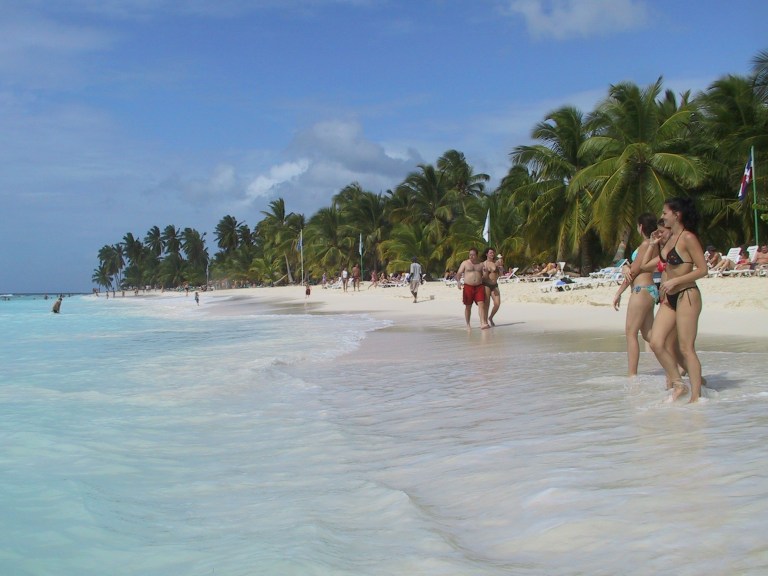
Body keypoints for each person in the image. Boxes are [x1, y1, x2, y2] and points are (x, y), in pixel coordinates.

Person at [640, 197, 708, 402]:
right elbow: (645, 266)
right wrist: (652, 244)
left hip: (687, 294)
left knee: (687, 348)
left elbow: (703, 269)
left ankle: (696, 397)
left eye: (664, 212)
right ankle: (679, 384)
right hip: (669, 297)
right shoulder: (668, 240)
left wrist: (676, 280)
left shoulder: (688, 238)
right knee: (656, 342)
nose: (661, 216)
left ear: (676, 214)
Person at [612, 213, 659, 376]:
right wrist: (626, 268)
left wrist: (619, 292)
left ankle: (632, 374)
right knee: (649, 334)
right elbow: (635, 267)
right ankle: (678, 363)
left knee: (631, 333)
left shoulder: (646, 244)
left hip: (641, 290)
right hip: (649, 289)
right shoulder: (655, 244)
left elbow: (634, 271)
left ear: (641, 227)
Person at [455, 247, 488, 330]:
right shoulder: (465, 263)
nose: (471, 256)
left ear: (477, 255)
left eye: (473, 255)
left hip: (479, 286)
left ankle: (482, 323)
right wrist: (458, 282)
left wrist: (485, 271)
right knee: (468, 306)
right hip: (468, 286)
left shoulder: (481, 264)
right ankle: (468, 324)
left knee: (481, 304)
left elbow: (485, 277)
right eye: (470, 255)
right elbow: (458, 273)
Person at [482, 247, 502, 326]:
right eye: (490, 253)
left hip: (495, 284)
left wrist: (499, 269)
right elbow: (484, 277)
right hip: (486, 284)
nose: (492, 254)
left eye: (493, 253)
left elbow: (500, 274)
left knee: (497, 304)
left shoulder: (497, 262)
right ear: (487, 254)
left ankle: (490, 317)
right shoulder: (484, 263)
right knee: (487, 304)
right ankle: (485, 321)